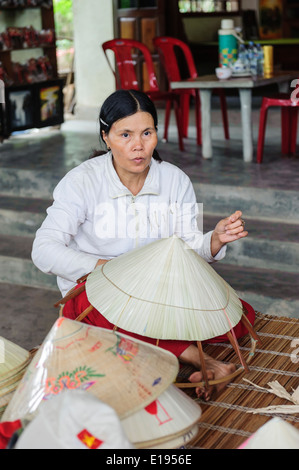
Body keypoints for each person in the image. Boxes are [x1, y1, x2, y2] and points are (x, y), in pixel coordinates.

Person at [32, 89, 252, 400]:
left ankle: (163, 359)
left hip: (157, 289)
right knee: (89, 310)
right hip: (97, 292)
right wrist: (105, 269)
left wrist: (214, 240)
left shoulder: (174, 180)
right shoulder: (82, 182)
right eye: (125, 134)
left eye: (147, 133)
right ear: (106, 136)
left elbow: (187, 246)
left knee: (239, 318)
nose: (138, 146)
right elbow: (43, 249)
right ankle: (202, 361)